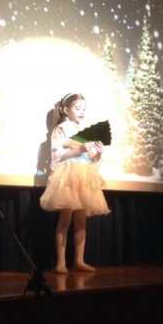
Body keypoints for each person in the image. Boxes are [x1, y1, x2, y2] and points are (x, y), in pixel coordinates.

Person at [39, 93, 110, 273]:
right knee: (65, 219)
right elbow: (56, 156)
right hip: (69, 175)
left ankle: (79, 260)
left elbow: (93, 159)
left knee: (81, 221)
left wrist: (98, 153)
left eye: (84, 109)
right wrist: (78, 150)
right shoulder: (61, 129)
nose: (82, 112)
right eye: (78, 108)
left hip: (84, 176)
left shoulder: (86, 131)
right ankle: (61, 262)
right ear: (65, 110)